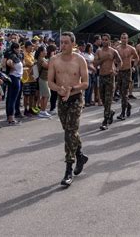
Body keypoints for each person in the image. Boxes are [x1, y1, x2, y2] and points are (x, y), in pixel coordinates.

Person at [48, 31, 89, 187]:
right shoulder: (54, 60)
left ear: (73, 44)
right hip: (61, 99)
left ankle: (68, 169)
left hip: (75, 98)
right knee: (69, 130)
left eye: (66, 42)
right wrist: (59, 90)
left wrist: (71, 89)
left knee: (70, 132)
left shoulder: (80, 60)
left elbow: (85, 83)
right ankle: (80, 154)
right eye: (61, 42)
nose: (62, 45)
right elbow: (50, 82)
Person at [94, 33, 122, 130]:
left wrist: (117, 70)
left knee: (108, 99)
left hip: (110, 77)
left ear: (109, 41)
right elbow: (95, 63)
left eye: (106, 39)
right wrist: (103, 59)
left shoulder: (113, 51)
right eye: (103, 39)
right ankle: (110, 112)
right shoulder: (98, 51)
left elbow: (120, 61)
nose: (104, 41)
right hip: (101, 76)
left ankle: (105, 120)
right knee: (102, 98)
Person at [115, 33, 139, 120]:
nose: (124, 40)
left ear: (127, 39)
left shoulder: (131, 48)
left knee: (124, 92)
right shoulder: (117, 49)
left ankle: (123, 112)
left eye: (125, 38)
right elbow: (114, 60)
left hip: (127, 71)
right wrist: (115, 68)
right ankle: (128, 105)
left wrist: (133, 66)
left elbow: (137, 57)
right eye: (122, 38)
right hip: (120, 72)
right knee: (121, 92)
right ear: (120, 39)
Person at [5, 42, 23, 125]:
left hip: (15, 78)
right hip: (14, 78)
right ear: (15, 49)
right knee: (12, 99)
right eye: (19, 48)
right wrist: (12, 68)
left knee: (10, 99)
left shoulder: (14, 55)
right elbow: (8, 62)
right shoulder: (12, 55)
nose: (20, 49)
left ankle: (9, 117)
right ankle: (11, 119)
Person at [21, 41, 38, 116]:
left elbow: (33, 64)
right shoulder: (23, 54)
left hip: (33, 77)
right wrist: (32, 63)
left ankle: (31, 108)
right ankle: (25, 109)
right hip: (26, 77)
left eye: (33, 46)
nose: (32, 48)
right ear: (27, 47)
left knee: (32, 94)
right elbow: (30, 63)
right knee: (26, 95)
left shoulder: (31, 54)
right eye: (31, 46)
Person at [35, 46, 51, 118]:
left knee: (45, 96)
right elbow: (48, 66)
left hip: (45, 79)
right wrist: (52, 59)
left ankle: (43, 110)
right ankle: (42, 111)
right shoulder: (41, 59)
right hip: (42, 79)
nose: (46, 52)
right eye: (45, 51)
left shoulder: (43, 59)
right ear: (41, 52)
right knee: (47, 95)